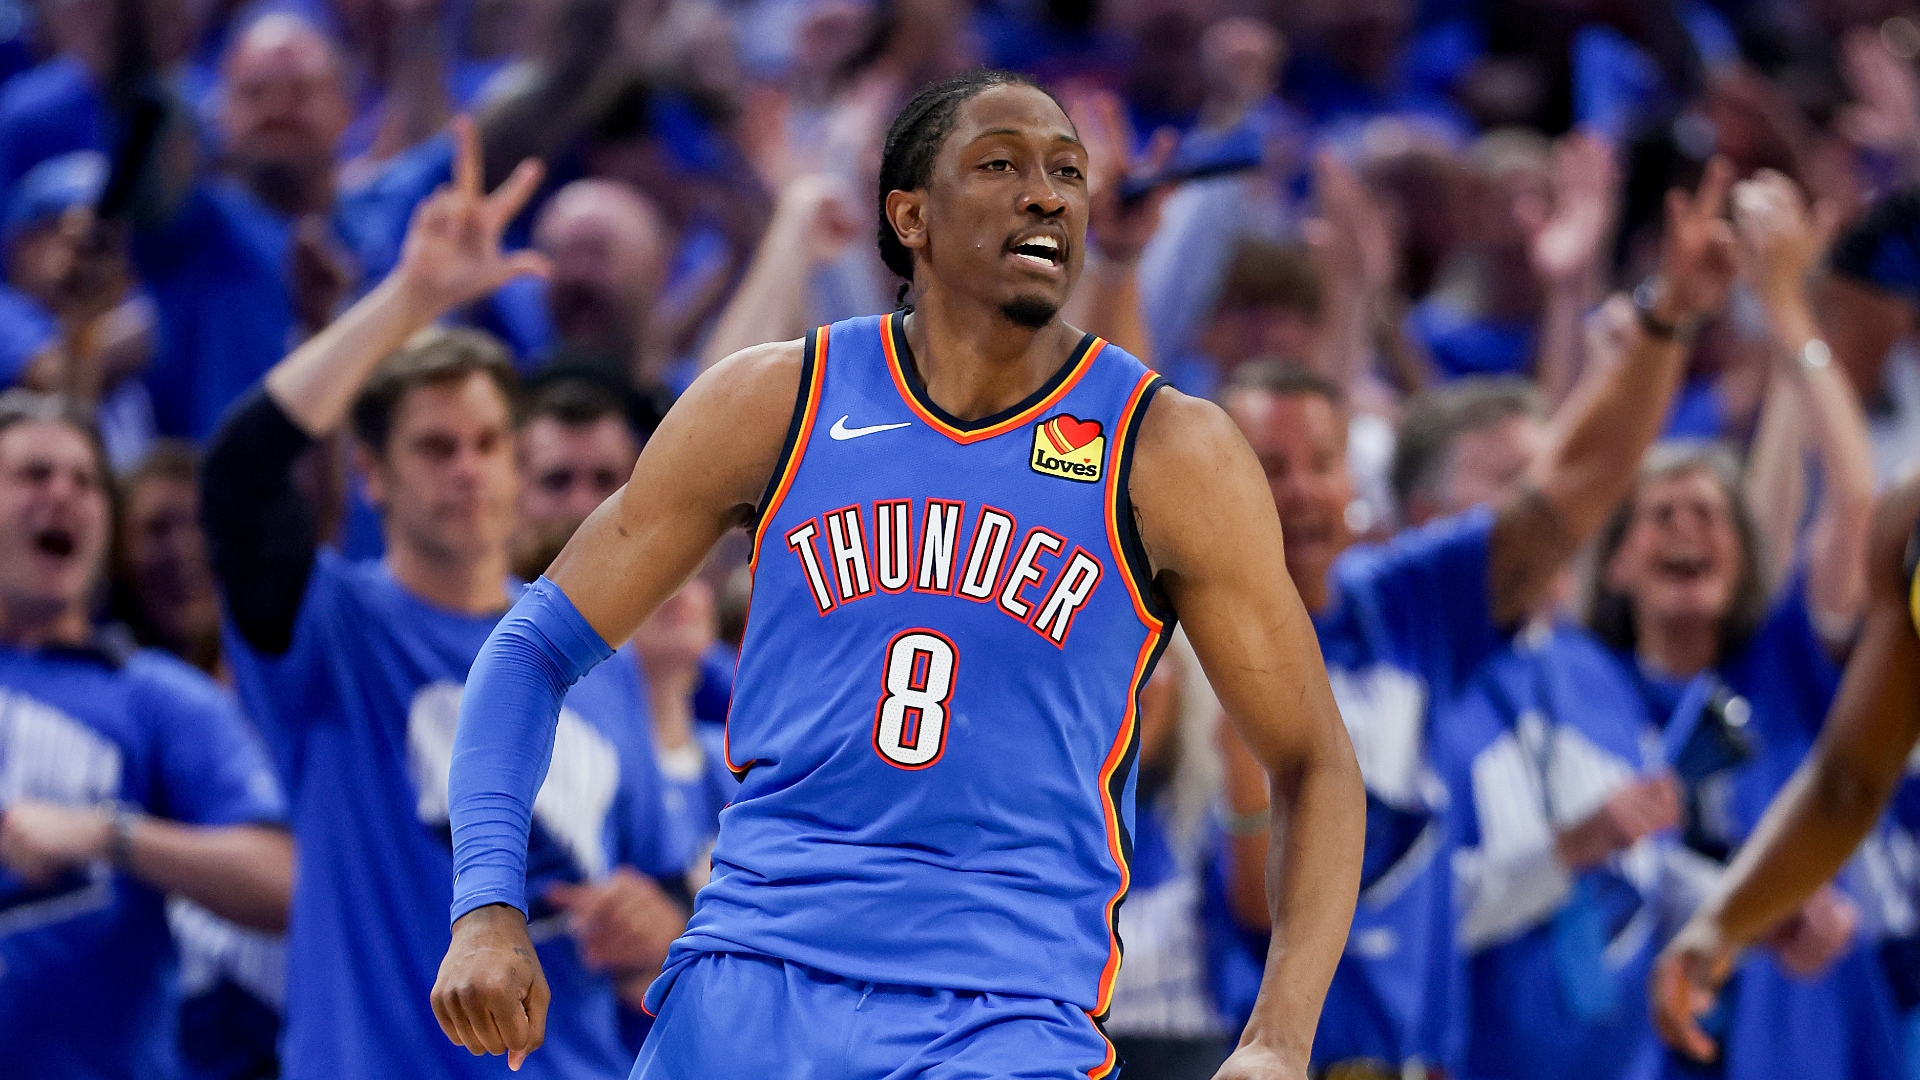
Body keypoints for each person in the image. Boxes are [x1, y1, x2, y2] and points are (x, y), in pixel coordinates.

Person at [434, 68, 1367, 1080]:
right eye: (1001, 165)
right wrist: (485, 904)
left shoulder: (1169, 451)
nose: (1046, 194)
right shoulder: (776, 400)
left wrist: (1280, 1040)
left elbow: (1315, 762)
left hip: (999, 1020)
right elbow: (531, 649)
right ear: (910, 216)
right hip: (747, 990)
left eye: (1068, 171)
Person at [1210, 154, 1740, 1077]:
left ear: (1353, 485)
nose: (1295, 493)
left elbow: (1568, 493)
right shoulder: (1176, 629)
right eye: (1266, 467)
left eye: (1318, 465)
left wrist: (1664, 322)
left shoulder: (1405, 606)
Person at [197, 118, 694, 1080]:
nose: (466, 470)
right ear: (372, 476)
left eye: (487, 444)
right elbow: (240, 475)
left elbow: (662, 878)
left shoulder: (597, 655)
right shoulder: (332, 630)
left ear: (518, 464)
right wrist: (412, 297)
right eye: (434, 447)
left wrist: (657, 919)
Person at [0, 390, 292, 1080]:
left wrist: (112, 835)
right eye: (34, 475)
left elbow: (284, 880)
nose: (63, 495)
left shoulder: (156, 697)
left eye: (86, 482)